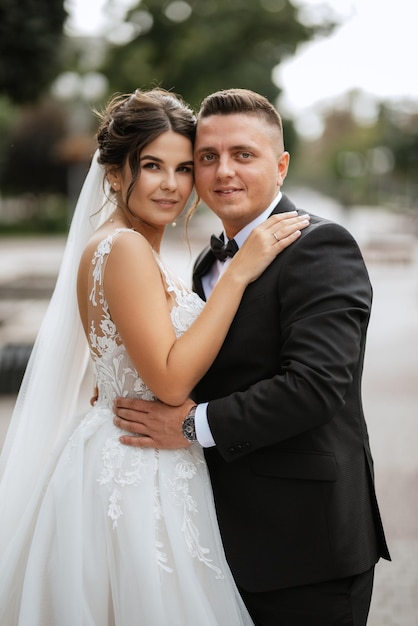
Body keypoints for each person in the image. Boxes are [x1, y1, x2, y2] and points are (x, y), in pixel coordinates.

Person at [0, 88, 310, 625]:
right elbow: (168, 383)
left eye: (184, 167)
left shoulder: (132, 247)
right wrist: (238, 274)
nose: (171, 184)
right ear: (117, 173)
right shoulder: (124, 249)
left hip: (142, 447)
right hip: (136, 466)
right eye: (151, 166)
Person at [113, 88, 391, 626]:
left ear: (281, 165)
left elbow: (315, 386)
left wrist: (192, 427)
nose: (223, 172)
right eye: (208, 158)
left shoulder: (321, 246)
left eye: (244, 155)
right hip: (219, 540)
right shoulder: (203, 264)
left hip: (306, 546)